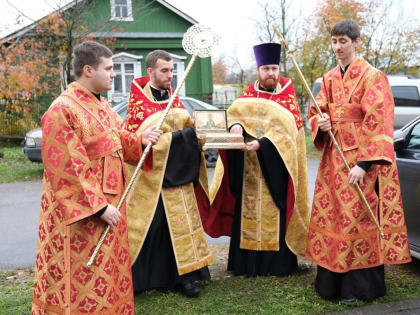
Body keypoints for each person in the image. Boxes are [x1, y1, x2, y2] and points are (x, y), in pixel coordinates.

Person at [31, 41, 162, 314]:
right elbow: (67, 167)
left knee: (108, 273)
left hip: (112, 208)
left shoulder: (102, 107)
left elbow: (118, 141)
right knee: (82, 277)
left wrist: (140, 140)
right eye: (110, 68)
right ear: (88, 70)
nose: (114, 74)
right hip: (84, 216)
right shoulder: (62, 109)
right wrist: (99, 207)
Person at [306, 19, 411, 304]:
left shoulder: (373, 76)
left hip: (359, 163)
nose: (337, 47)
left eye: (343, 41)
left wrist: (363, 165)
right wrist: (321, 123)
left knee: (357, 219)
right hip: (333, 160)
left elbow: (380, 121)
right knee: (336, 218)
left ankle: (357, 288)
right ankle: (330, 285)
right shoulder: (328, 79)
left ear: (356, 42)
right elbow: (316, 110)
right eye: (334, 41)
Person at [204, 43, 310, 277]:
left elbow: (290, 137)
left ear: (278, 68)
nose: (270, 73)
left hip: (277, 172)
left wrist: (263, 144)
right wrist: (237, 127)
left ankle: (277, 265)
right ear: (258, 69)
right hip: (248, 172)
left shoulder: (288, 98)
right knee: (247, 213)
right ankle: (245, 265)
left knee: (276, 212)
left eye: (274, 68)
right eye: (265, 69)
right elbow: (233, 118)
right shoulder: (246, 98)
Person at [125, 50, 213, 297]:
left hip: (180, 175)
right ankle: (153, 279)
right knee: (157, 228)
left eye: (172, 70)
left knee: (183, 227)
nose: (170, 75)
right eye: (164, 70)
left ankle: (185, 278)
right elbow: (135, 142)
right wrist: (176, 139)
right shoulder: (138, 104)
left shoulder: (174, 98)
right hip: (154, 182)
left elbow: (187, 128)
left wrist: (196, 136)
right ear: (150, 71)